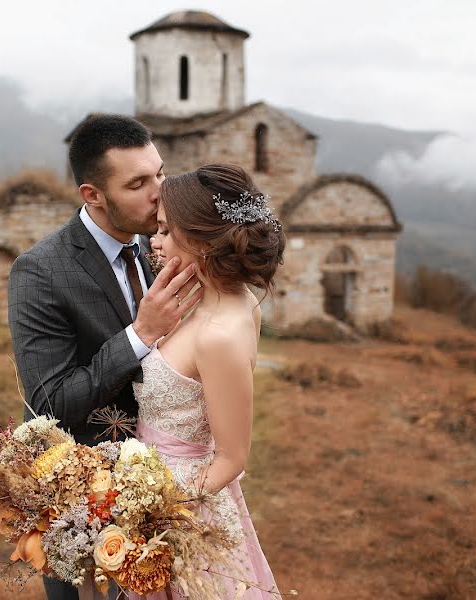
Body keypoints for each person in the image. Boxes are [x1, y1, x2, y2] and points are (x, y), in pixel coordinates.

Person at [7, 114, 203, 600]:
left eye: (160, 173)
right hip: (86, 503)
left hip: (170, 492)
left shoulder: (161, 243)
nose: (160, 192)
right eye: (138, 183)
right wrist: (140, 334)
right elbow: (49, 401)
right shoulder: (39, 273)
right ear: (92, 194)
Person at [130, 164, 285, 599]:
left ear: (198, 239)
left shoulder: (220, 332)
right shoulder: (218, 297)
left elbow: (231, 459)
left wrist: (154, 510)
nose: (153, 242)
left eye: (163, 231)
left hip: (183, 510)